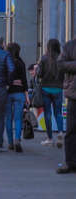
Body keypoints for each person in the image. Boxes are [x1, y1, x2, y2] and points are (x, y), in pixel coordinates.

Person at [38, 39, 64, 147]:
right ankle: (60, 133)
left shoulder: (44, 58)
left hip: (46, 89)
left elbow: (39, 74)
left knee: (47, 114)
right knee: (58, 113)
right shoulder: (61, 58)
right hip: (58, 89)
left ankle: (49, 138)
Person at [5, 43, 29, 152]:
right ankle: (17, 139)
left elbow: (3, 78)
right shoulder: (21, 63)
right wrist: (27, 96)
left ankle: (10, 142)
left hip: (7, 93)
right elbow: (24, 81)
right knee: (18, 118)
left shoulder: (5, 62)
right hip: (19, 93)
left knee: (8, 118)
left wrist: (11, 82)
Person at [56, 39, 76, 174]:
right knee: (71, 130)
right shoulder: (70, 45)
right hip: (74, 94)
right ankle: (70, 163)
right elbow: (61, 64)